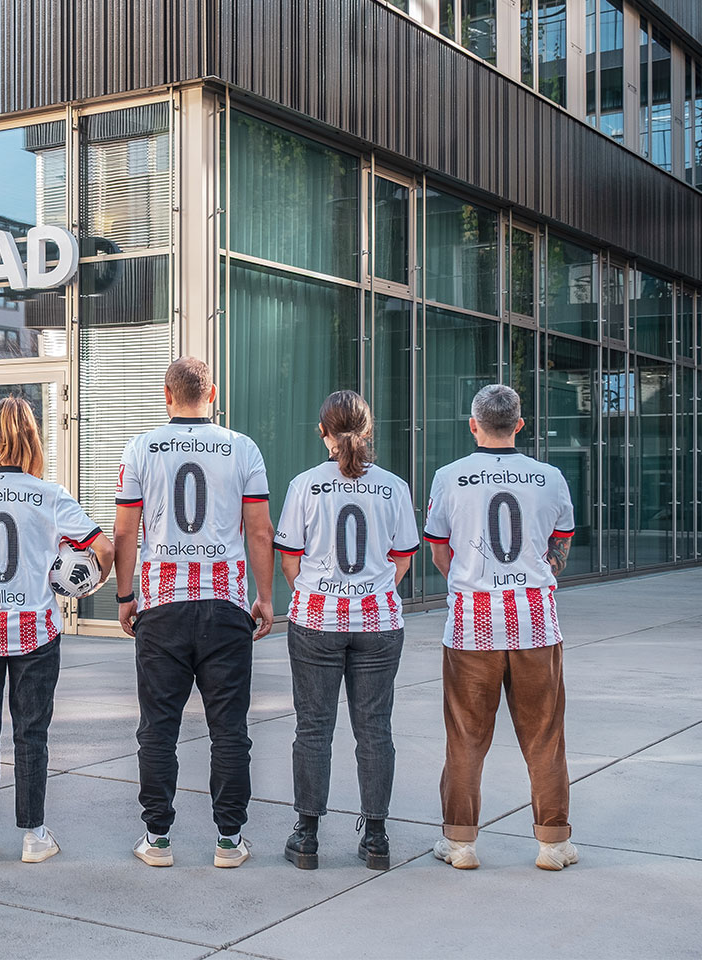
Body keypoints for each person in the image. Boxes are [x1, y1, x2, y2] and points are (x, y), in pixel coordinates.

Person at [114, 357, 275, 869]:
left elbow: (124, 531)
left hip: (162, 606)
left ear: (167, 395)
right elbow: (259, 531)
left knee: (157, 727)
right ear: (213, 393)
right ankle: (229, 839)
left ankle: (157, 838)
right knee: (229, 728)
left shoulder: (142, 447)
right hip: (224, 604)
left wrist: (124, 596)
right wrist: (266, 598)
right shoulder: (242, 447)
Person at [0, 397, 114, 864]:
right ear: (33, 440)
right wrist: (80, 583)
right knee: (30, 733)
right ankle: (34, 835)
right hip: (34, 630)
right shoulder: (49, 495)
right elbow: (104, 547)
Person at [423, 383, 578, 871]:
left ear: (473, 425)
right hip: (535, 622)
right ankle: (554, 843)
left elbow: (439, 550)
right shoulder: (550, 477)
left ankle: (460, 842)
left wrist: (468, 582)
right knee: (545, 735)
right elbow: (560, 545)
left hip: (472, 623)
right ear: (519, 424)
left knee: (466, 734)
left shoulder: (449, 477)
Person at [274, 390, 419, 871]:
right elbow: (403, 557)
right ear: (367, 430)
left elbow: (290, 558)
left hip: (317, 620)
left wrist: (316, 593)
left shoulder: (305, 485)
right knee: (375, 729)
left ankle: (307, 837)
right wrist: (372, 592)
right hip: (378, 622)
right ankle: (375, 838)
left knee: (313, 728)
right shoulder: (394, 487)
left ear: (324, 433)